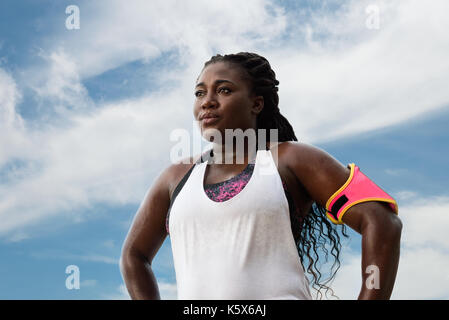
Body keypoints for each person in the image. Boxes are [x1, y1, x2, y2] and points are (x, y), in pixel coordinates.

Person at [119, 52, 402, 300]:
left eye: (224, 90)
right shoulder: (176, 178)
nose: (207, 102)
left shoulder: (291, 159)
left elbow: (381, 221)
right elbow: (134, 256)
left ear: (256, 104)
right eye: (200, 93)